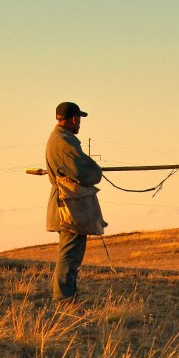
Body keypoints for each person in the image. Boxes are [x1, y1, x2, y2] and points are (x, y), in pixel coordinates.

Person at [45, 101, 103, 302]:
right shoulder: (63, 141)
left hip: (68, 204)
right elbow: (82, 171)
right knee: (70, 257)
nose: (79, 123)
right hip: (69, 207)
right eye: (78, 119)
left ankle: (68, 298)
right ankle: (64, 300)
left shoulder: (60, 138)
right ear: (73, 118)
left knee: (71, 256)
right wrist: (96, 171)